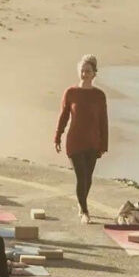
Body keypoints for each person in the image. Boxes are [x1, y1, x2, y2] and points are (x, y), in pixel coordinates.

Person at [54, 54, 108, 224]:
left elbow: (103, 121)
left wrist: (103, 144)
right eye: (82, 71)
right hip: (75, 141)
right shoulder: (71, 93)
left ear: (94, 74)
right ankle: (84, 211)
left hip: (92, 142)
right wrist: (58, 135)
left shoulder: (99, 95)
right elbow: (63, 116)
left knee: (89, 177)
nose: (85, 74)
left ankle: (81, 202)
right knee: (81, 177)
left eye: (88, 71)